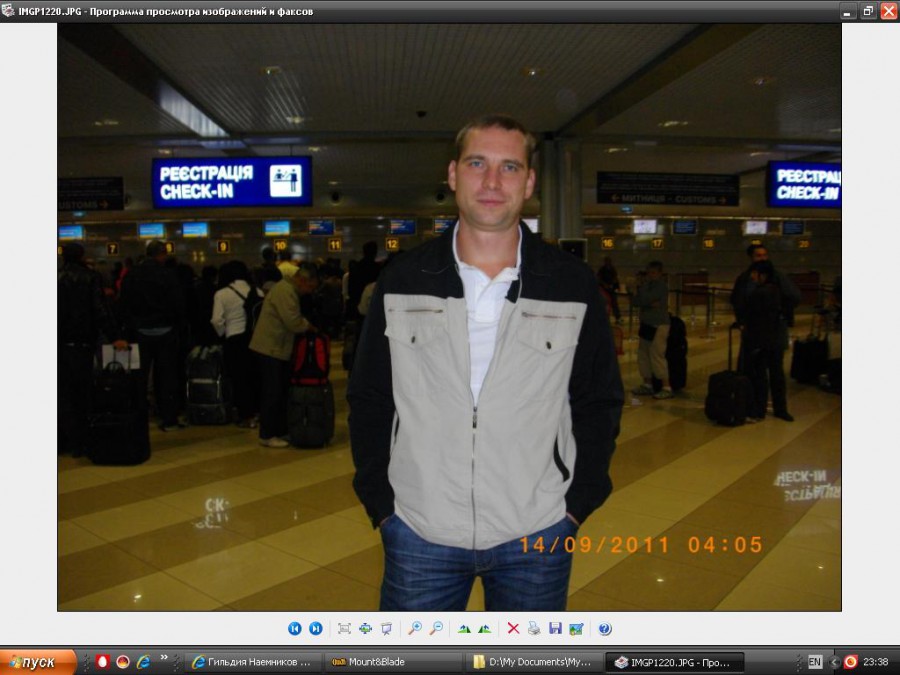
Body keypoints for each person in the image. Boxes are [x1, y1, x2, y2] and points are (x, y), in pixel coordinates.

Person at [347, 114, 623, 611]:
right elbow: (370, 395)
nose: (492, 181)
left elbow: (598, 399)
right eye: (478, 163)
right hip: (419, 530)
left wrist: (578, 503)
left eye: (509, 167)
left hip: (537, 530)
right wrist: (382, 504)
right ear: (454, 175)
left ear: (529, 182)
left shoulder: (570, 282)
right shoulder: (405, 277)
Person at [58, 243, 128, 457]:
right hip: (82, 344)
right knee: (81, 393)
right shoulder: (90, 277)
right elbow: (100, 310)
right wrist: (115, 336)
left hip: (58, 344)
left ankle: (63, 440)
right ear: (81, 256)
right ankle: (80, 442)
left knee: (62, 393)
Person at [118, 240, 186, 431]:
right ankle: (168, 418)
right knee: (166, 377)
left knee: (139, 377)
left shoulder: (132, 275)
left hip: (139, 332)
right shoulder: (168, 275)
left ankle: (139, 417)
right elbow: (178, 304)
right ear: (162, 254)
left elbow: (124, 304)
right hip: (166, 332)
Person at [249, 262, 319, 448]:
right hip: (270, 349)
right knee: (272, 392)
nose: (310, 292)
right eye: (310, 287)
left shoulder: (287, 289)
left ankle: (278, 430)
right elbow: (293, 322)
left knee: (278, 391)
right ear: (302, 280)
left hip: (275, 348)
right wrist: (309, 326)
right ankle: (267, 434)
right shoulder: (286, 291)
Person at [733, 260, 794, 422]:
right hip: (777, 338)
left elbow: (754, 317)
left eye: (755, 273)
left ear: (763, 275)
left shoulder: (760, 293)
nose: (753, 276)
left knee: (760, 375)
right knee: (777, 374)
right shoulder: (779, 290)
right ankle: (781, 409)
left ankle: (759, 410)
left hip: (762, 340)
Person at [730, 244, 800, 377]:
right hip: (753, 328)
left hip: (773, 328)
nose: (762, 258)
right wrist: (741, 321)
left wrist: (781, 313)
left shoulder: (778, 277)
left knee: (774, 366)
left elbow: (793, 296)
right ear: (751, 257)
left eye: (764, 255)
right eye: (758, 256)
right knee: (754, 365)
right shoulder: (745, 278)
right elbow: (738, 300)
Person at [211, 260, 263, 428]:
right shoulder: (257, 291)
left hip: (234, 340)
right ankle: (257, 411)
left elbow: (216, 320)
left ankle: (245, 415)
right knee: (254, 376)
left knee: (239, 379)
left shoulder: (222, 294)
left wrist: (224, 333)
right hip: (255, 339)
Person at [630, 261, 673, 400]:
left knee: (657, 355)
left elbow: (645, 299)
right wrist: (645, 300)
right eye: (648, 272)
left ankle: (666, 387)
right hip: (646, 323)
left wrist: (642, 296)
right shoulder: (647, 285)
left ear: (660, 273)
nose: (650, 275)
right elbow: (636, 302)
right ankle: (647, 384)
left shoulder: (661, 286)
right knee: (643, 355)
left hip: (659, 325)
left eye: (653, 273)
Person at [597, 256, 622, 322]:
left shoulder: (612, 269)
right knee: (605, 303)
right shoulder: (602, 269)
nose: (608, 262)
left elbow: (615, 278)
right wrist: (604, 284)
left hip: (611, 289)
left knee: (614, 303)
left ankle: (617, 317)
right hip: (604, 289)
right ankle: (605, 317)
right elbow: (599, 278)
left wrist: (616, 285)